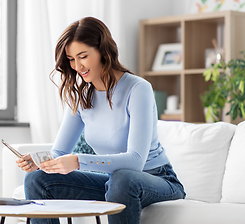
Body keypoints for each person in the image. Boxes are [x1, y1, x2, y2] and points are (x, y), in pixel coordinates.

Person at [16, 16, 186, 224]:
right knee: (37, 179)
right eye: (71, 59)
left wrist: (78, 161)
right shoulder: (81, 97)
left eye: (83, 56)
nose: (77, 66)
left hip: (156, 179)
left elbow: (135, 161)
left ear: (102, 51)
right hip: (113, 181)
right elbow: (59, 152)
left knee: (123, 178)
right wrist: (40, 161)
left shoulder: (137, 88)